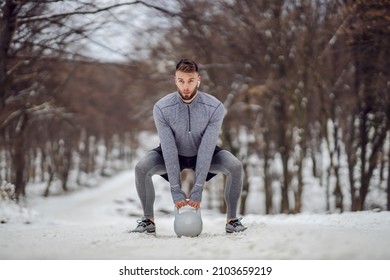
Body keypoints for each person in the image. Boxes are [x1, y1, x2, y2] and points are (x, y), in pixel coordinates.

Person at [131, 58, 247, 234]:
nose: (186, 86)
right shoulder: (162, 108)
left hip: (204, 151)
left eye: (190, 81)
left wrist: (198, 189)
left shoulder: (215, 107)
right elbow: (168, 149)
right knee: (141, 168)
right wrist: (176, 191)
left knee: (235, 166)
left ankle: (232, 220)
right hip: (172, 153)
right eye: (181, 81)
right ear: (175, 80)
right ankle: (148, 221)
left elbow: (207, 148)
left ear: (198, 79)